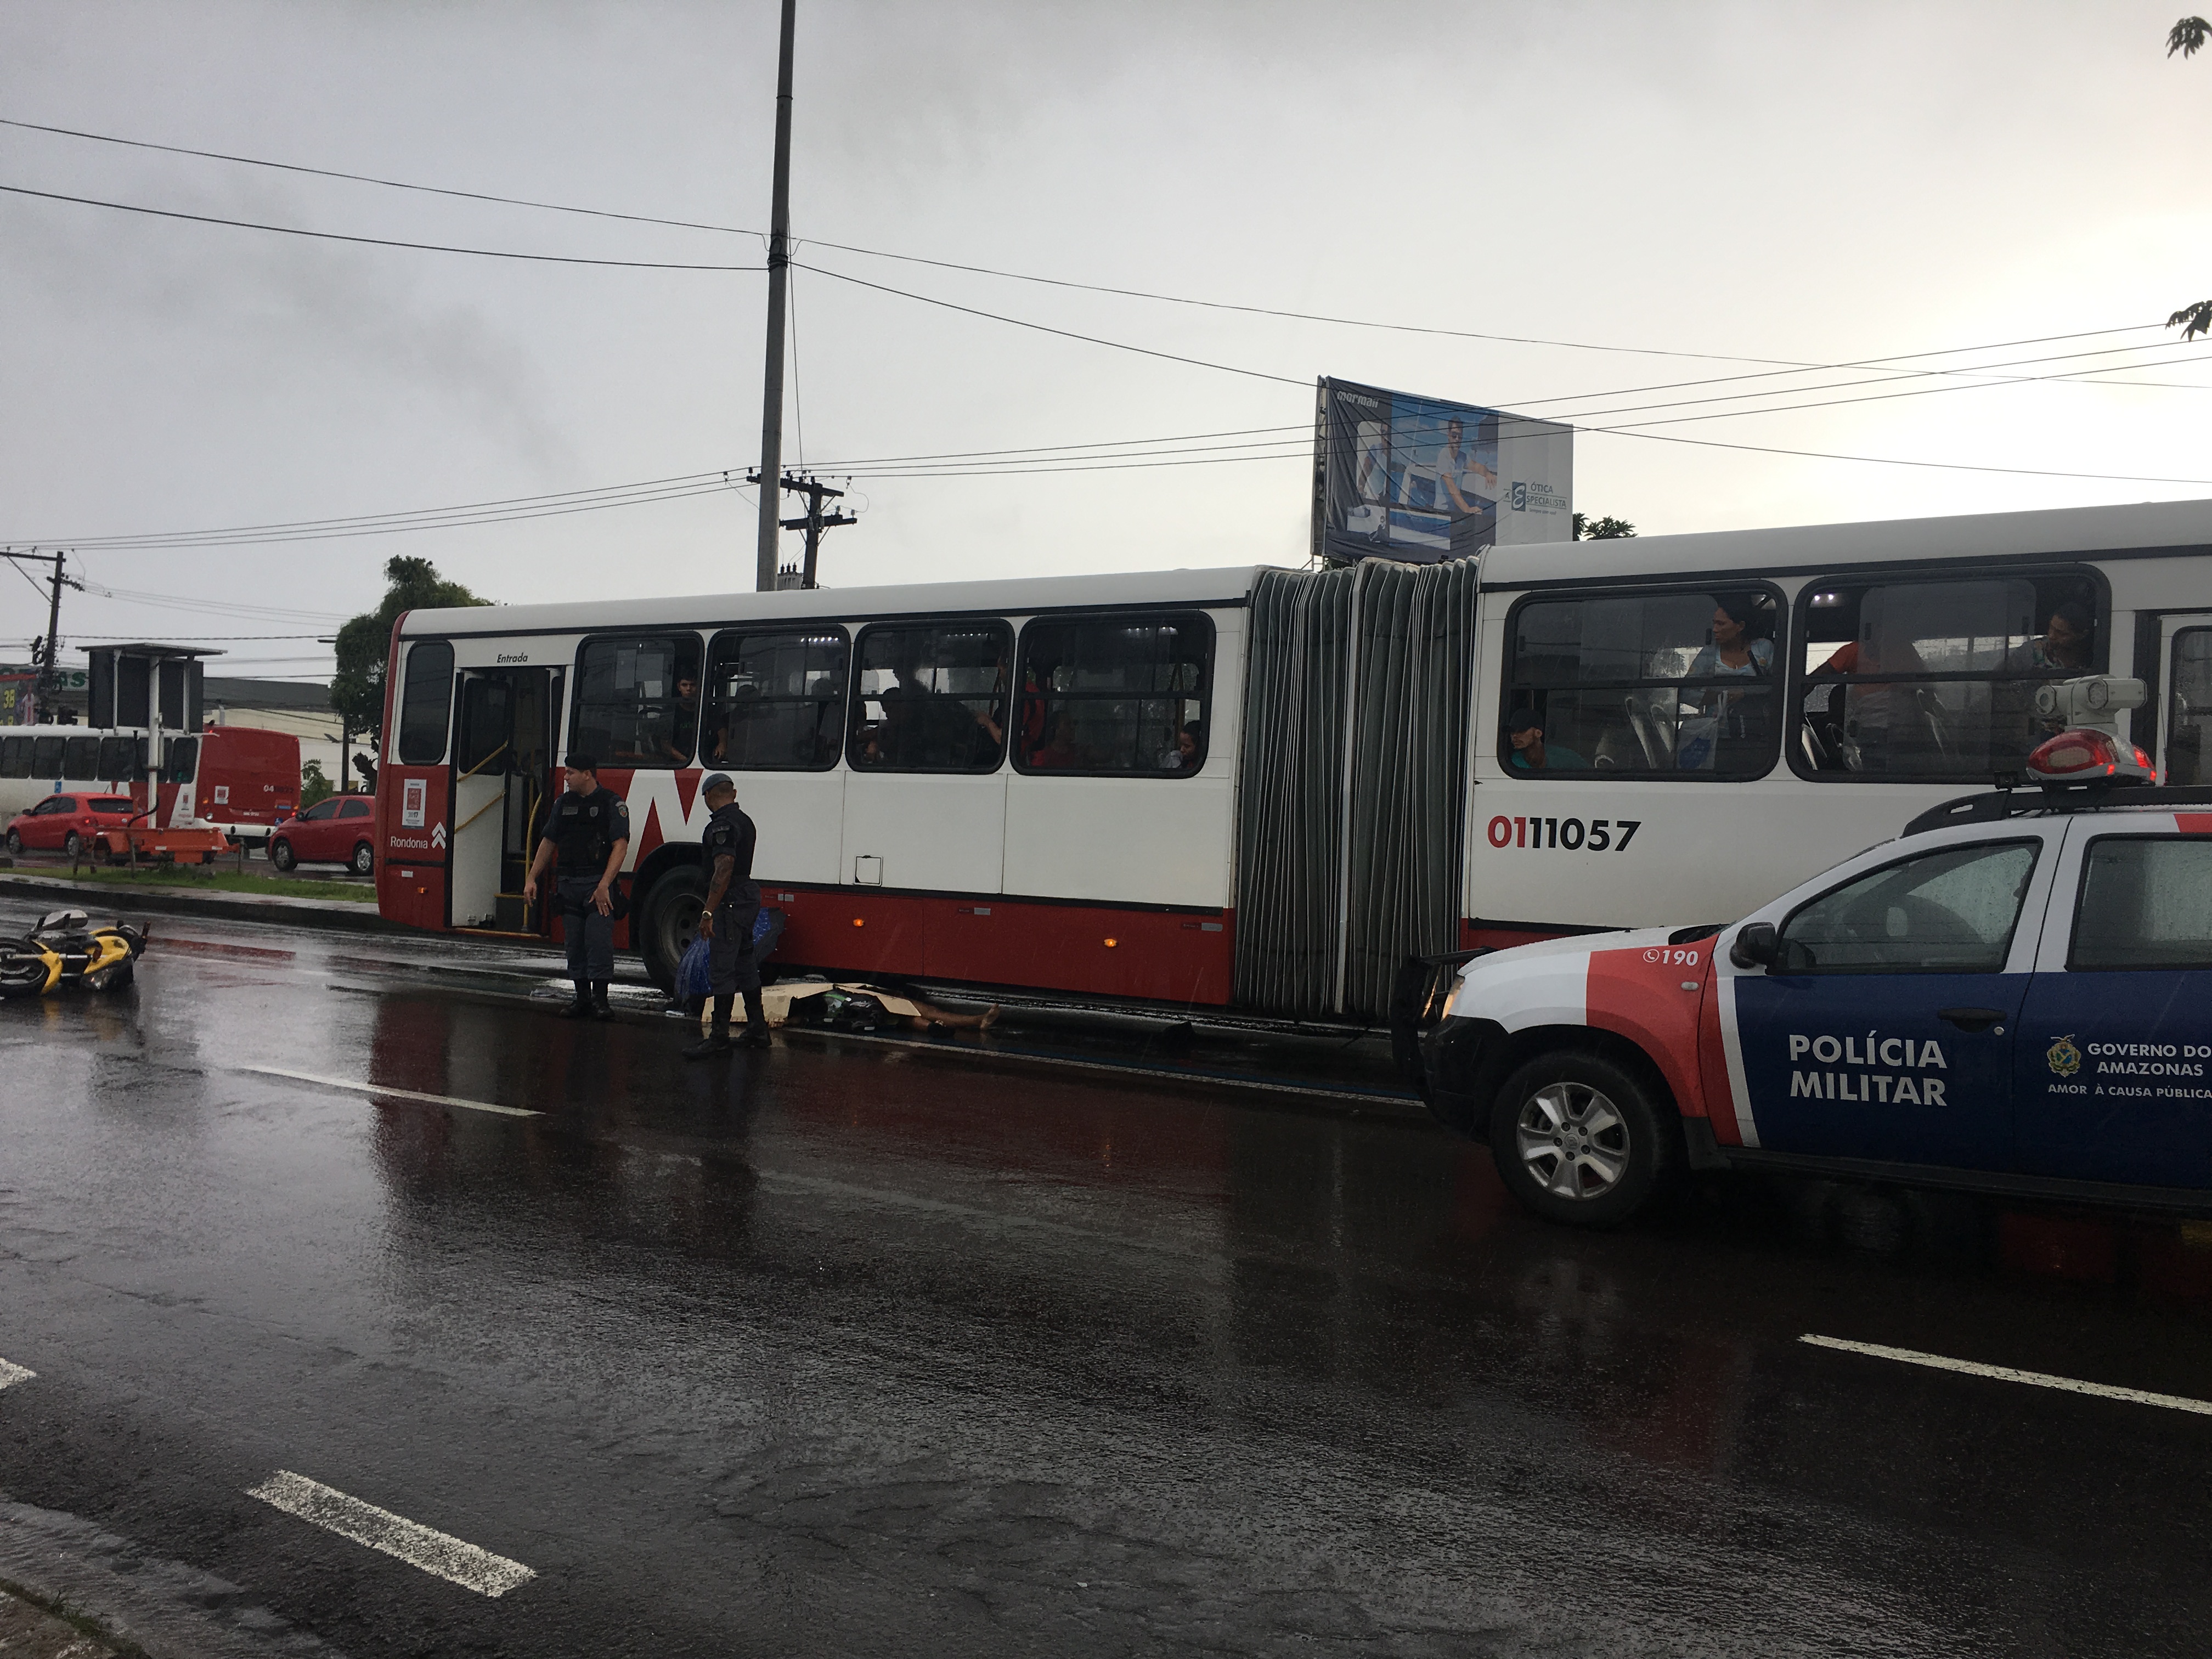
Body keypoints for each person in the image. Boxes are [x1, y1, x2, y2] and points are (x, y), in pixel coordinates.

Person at [523, 755, 630, 1018]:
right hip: (569, 884)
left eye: (570, 773)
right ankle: (582, 999)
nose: (566, 777)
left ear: (587, 774)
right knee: (574, 945)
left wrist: (605, 884)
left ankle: (601, 1001)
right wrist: (531, 877)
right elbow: (549, 841)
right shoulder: (563, 804)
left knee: (598, 942)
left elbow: (620, 845)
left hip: (596, 886)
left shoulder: (611, 803)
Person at [685, 772, 770, 1058]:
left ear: (709, 796)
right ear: (732, 793)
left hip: (730, 901)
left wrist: (708, 911)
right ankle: (758, 1029)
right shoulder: (745, 820)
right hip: (746, 897)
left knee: (722, 968)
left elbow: (724, 867)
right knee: (745, 961)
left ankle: (719, 1037)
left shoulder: (722, 824)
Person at [1508, 709, 1587, 771]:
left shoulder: (1567, 757)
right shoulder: (1513, 762)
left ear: (1538, 733)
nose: (1515, 736)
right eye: (1512, 731)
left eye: (1522, 731)